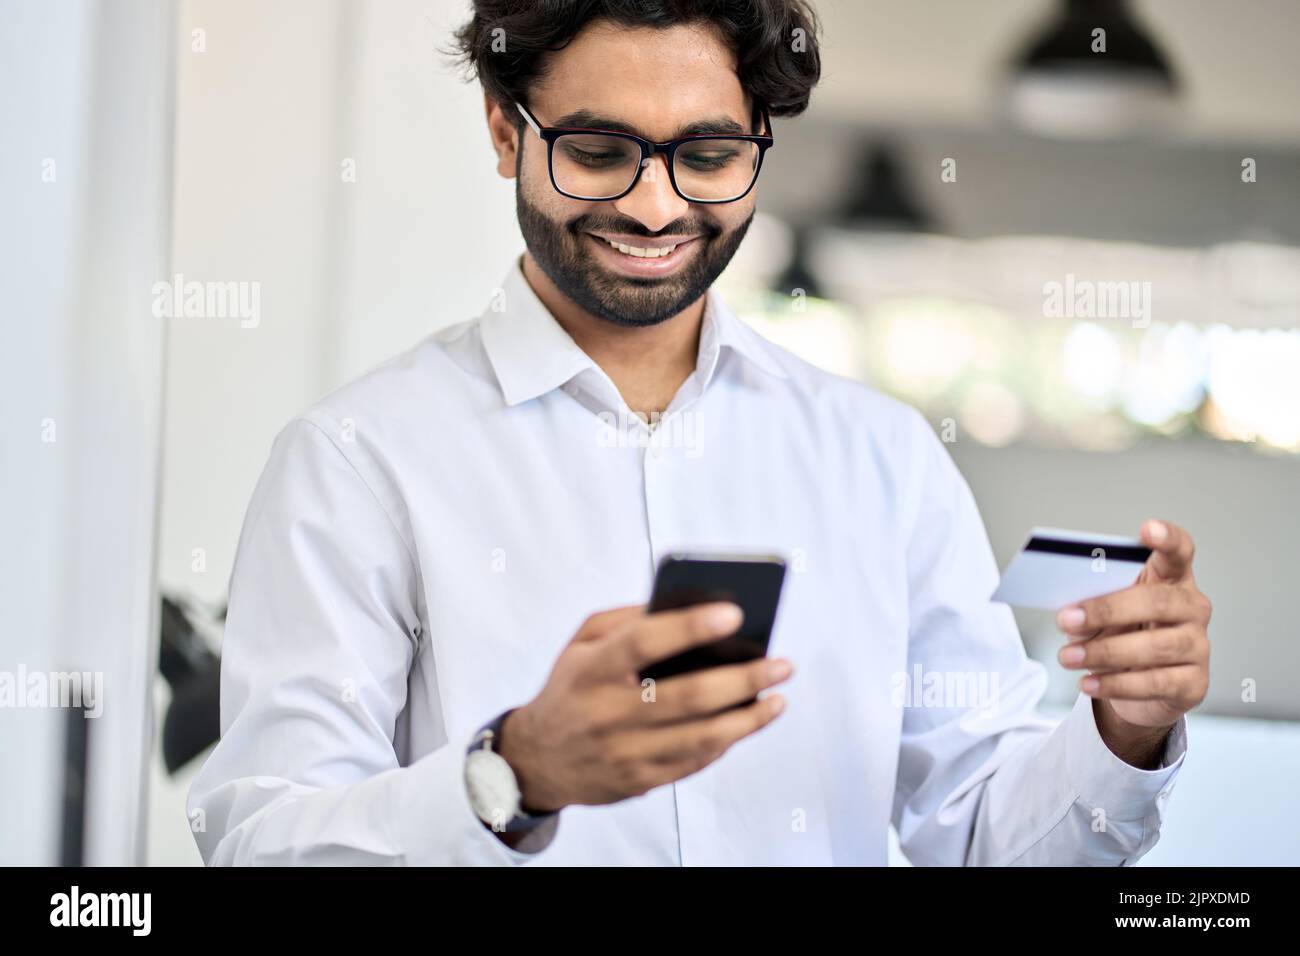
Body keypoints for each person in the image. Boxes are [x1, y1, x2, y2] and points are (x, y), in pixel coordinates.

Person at [189, 0, 1212, 866]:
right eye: (597, 150)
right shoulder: (358, 460)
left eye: (708, 153)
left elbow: (986, 828)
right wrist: (513, 772)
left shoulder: (882, 460)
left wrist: (1124, 727)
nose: (653, 204)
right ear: (504, 129)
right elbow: (262, 838)